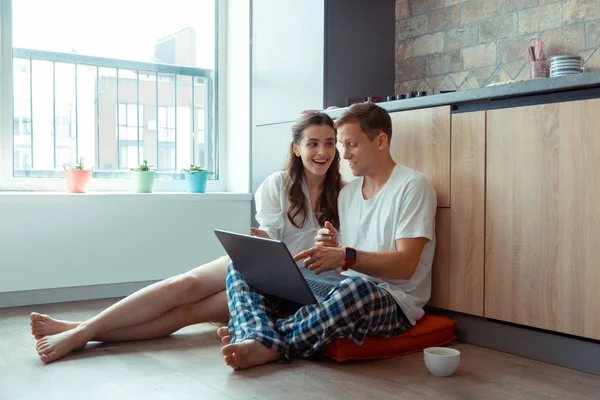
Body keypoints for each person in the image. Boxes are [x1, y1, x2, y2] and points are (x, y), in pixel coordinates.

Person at [31, 111, 344, 364]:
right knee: (182, 285)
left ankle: (78, 332)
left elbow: (344, 257)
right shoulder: (278, 184)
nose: (322, 152)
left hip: (291, 287)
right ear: (296, 148)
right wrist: (264, 240)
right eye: (313, 144)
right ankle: (80, 331)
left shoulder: (343, 193)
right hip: (261, 268)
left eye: (329, 144)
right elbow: (271, 237)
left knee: (187, 314)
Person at [217, 102, 437, 371]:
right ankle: (259, 336)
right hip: (340, 288)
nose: (343, 155)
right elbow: (352, 253)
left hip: (391, 299)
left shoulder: (413, 186)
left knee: (354, 290)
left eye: (351, 145)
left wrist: (345, 256)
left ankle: (259, 337)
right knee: (240, 265)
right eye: (341, 145)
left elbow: (405, 266)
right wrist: (332, 248)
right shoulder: (348, 194)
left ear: (380, 141)